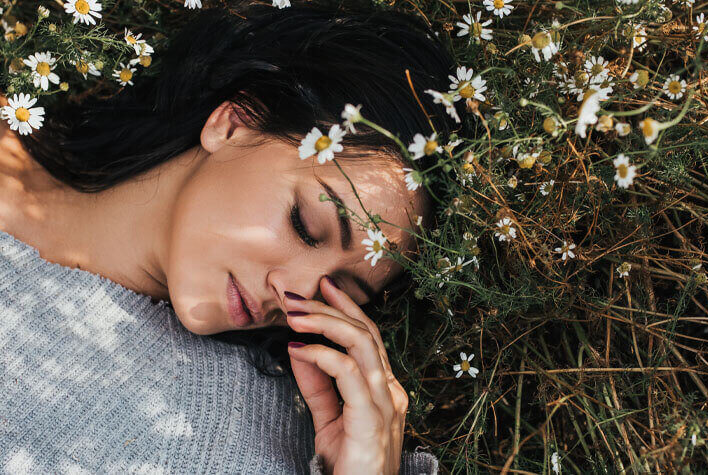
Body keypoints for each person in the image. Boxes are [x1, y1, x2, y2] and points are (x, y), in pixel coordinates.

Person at [0, 1, 470, 473]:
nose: (296, 297)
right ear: (232, 124)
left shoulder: (257, 440)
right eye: (305, 228)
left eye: (340, 291)